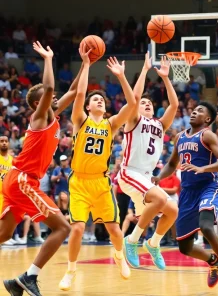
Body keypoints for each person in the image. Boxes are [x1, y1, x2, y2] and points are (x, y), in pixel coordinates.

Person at [1, 41, 88, 296]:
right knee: (62, 228)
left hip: (18, 180)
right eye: (49, 98)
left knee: (4, 233)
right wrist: (48, 59)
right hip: (22, 181)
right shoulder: (39, 117)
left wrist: (86, 63)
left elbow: (72, 91)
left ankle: (16, 285)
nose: (54, 97)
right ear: (41, 102)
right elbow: (49, 87)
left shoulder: (53, 114)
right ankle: (30, 277)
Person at [59, 51, 136, 290]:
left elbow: (132, 104)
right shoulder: (80, 120)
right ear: (89, 106)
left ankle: (119, 256)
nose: (99, 101)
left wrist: (122, 77)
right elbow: (80, 94)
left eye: (101, 99)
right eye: (95, 100)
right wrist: (85, 64)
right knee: (78, 228)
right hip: (79, 182)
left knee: (114, 229)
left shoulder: (111, 124)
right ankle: (71, 270)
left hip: (101, 184)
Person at [153, 102, 218, 294]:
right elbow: (172, 164)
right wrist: (159, 177)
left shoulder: (207, 135)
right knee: (185, 247)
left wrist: (203, 168)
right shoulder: (179, 137)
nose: (195, 112)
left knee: (206, 227)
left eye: (200, 111)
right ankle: (212, 261)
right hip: (188, 193)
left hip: (208, 186)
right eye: (194, 109)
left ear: (207, 119)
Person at [118, 53, 178, 270]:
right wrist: (144, 70)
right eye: (143, 103)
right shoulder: (133, 120)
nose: (146, 104)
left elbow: (174, 104)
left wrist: (165, 78)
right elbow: (133, 99)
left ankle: (153, 243)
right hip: (129, 172)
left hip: (144, 178)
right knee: (161, 199)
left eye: (149, 103)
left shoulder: (161, 125)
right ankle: (132, 241)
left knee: (172, 211)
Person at [0, 135, 15, 246]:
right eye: (1, 141)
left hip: (7, 194)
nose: (4, 143)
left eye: (6, 141)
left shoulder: (12, 160)